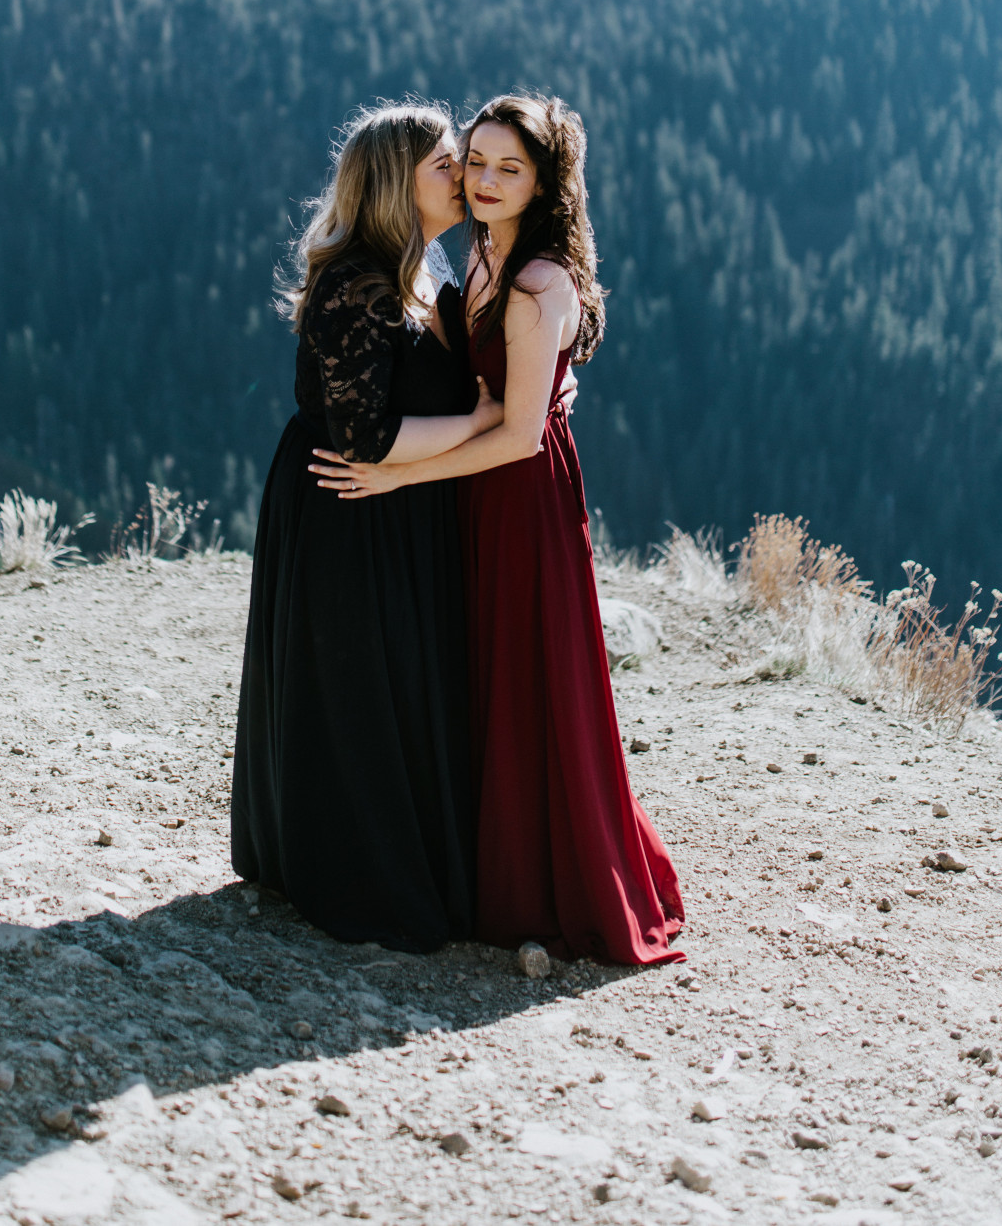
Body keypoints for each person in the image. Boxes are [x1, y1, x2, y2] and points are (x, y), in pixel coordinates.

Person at [312, 91, 685, 966]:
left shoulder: (537, 280)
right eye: (473, 160)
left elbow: (517, 436)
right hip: (472, 492)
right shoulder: (479, 252)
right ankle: (482, 864)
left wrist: (394, 471)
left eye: (507, 167)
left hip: (518, 498)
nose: (482, 179)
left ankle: (552, 881)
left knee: (530, 679)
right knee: (479, 675)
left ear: (546, 180)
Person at [231, 102, 503, 951]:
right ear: (395, 182)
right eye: (445, 165)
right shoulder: (358, 282)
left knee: (394, 685)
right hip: (348, 511)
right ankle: (354, 868)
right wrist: (478, 423)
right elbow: (368, 438)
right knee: (359, 690)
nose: (462, 177)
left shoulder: (423, 273)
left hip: (394, 508)